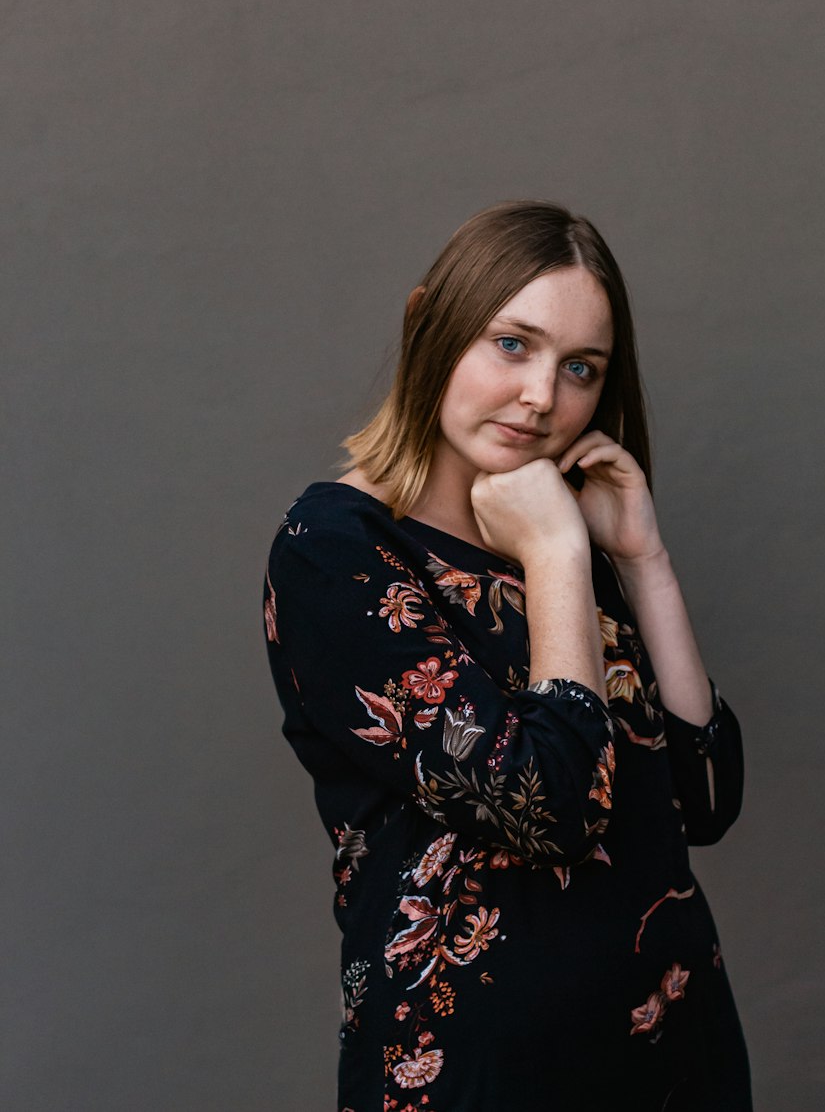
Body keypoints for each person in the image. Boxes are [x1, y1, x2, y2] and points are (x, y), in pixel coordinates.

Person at [262, 199, 752, 1111]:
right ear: (428, 327)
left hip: (672, 1060)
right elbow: (551, 805)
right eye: (512, 344)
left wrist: (640, 559)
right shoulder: (334, 549)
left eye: (580, 369)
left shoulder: (556, 535)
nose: (541, 397)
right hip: (477, 1074)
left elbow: (706, 796)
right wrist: (557, 553)